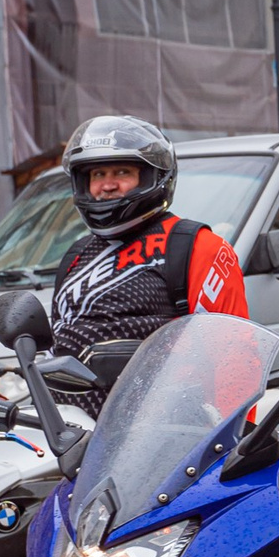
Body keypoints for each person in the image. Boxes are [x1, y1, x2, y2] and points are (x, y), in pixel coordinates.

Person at [47, 116, 248, 410]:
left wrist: (232, 444)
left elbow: (235, 355)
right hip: (71, 433)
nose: (107, 185)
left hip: (159, 430)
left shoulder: (196, 245)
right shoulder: (75, 256)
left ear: (152, 176)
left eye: (122, 171)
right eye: (97, 174)